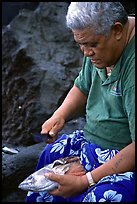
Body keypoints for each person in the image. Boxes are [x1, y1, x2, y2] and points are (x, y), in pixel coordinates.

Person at [26, 2, 135, 202]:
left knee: (101, 197)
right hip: (93, 143)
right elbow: (83, 87)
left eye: (92, 45)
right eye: (80, 44)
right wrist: (60, 115)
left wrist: (85, 181)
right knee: (50, 156)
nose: (85, 53)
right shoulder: (100, 44)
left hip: (126, 158)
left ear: (117, 30)